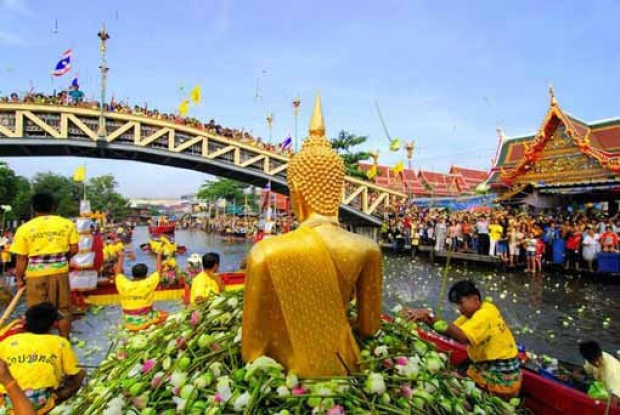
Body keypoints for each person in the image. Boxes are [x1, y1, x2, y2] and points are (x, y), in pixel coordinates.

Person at [242, 94, 382, 377]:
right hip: (344, 369)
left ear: (296, 190)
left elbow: (251, 351)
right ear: (338, 190)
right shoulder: (368, 249)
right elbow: (369, 328)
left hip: (287, 376)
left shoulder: (267, 252)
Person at [408, 280, 521, 398]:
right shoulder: (475, 312)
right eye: (457, 305)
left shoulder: (485, 314)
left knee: (452, 388)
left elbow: (462, 337)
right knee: (454, 376)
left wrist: (429, 315)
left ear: (475, 299)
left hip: (500, 373)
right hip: (485, 364)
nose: (459, 309)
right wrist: (425, 319)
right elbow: (450, 330)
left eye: (461, 303)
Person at [9, 193, 78, 338]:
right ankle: (64, 341)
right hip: (60, 271)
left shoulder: (25, 228)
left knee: (36, 311)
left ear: (33, 208)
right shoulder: (66, 224)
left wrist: (20, 278)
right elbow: (74, 249)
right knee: (63, 309)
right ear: (53, 206)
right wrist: (61, 259)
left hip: (35, 274)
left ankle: (40, 343)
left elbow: (21, 258)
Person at [0, 303, 84, 413]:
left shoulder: (7, 341)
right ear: (54, 325)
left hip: (9, 400)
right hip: (41, 401)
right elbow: (74, 373)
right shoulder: (60, 343)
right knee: (80, 375)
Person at [114, 250, 168, 331]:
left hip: (129, 319)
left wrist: (121, 257)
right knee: (165, 315)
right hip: (145, 320)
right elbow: (158, 271)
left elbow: (117, 273)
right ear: (146, 275)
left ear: (133, 274)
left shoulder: (124, 284)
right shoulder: (148, 283)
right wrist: (159, 255)